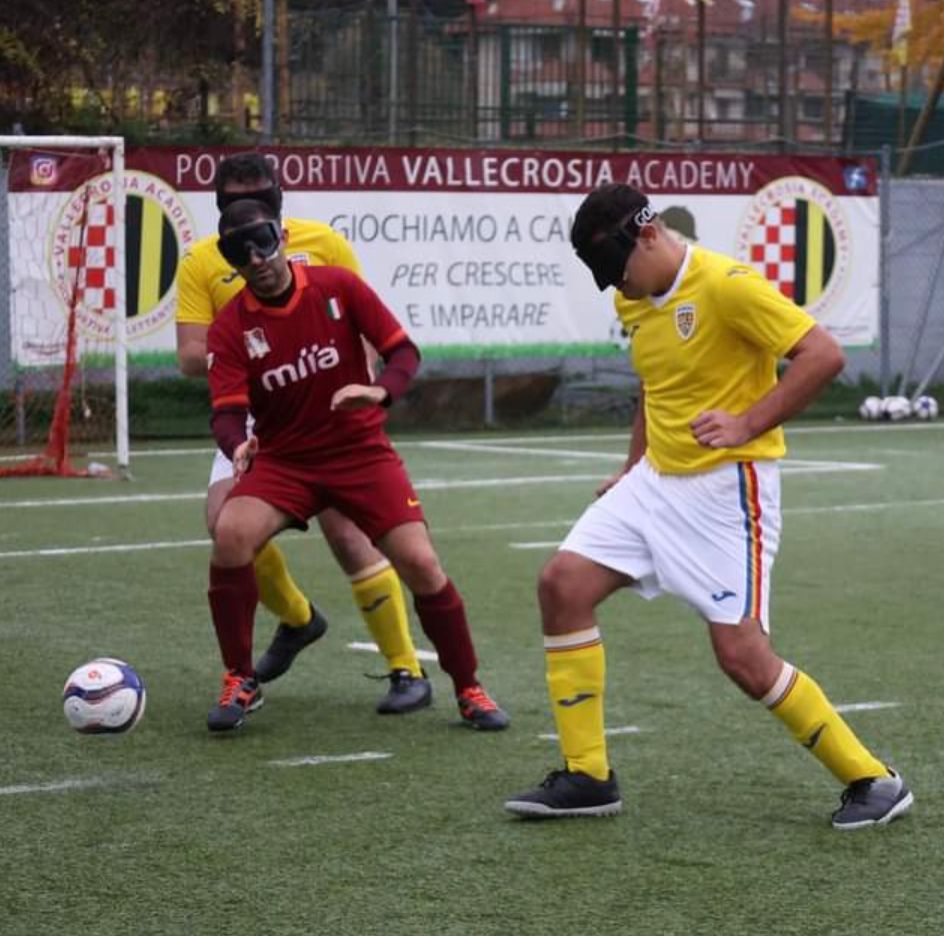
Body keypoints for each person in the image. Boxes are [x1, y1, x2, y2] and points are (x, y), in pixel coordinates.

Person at [504, 183, 912, 830]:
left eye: (616, 269)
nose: (616, 286)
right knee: (562, 584)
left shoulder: (727, 286)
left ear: (648, 234)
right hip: (653, 483)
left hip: (727, 493)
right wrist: (630, 469)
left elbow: (823, 354)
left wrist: (747, 422)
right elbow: (655, 387)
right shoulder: (634, 299)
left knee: (743, 658)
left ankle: (873, 778)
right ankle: (588, 776)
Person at [203, 197, 509, 734]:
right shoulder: (230, 327)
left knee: (421, 563)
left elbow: (404, 352)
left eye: (263, 242)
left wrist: (379, 391)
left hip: (359, 453)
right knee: (229, 533)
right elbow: (226, 412)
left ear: (282, 238)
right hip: (285, 460)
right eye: (238, 251)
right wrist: (237, 446)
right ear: (229, 259)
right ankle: (240, 680)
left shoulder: (338, 287)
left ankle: (468, 688)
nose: (255, 259)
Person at [176, 152, 430, 716]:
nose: (251, 211)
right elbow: (190, 354)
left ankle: (407, 670)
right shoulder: (202, 260)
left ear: (279, 202)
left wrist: (363, 391)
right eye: (236, 198)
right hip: (254, 421)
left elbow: (365, 324)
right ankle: (298, 620)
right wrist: (247, 338)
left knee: (351, 537)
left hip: (330, 414)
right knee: (224, 526)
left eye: (261, 196)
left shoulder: (324, 242)